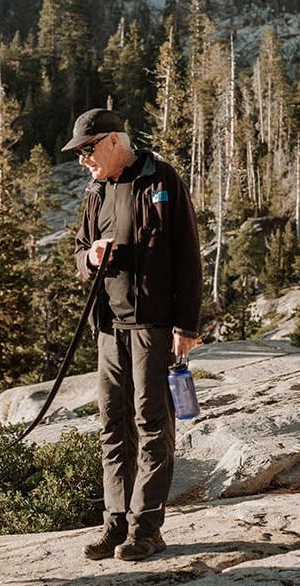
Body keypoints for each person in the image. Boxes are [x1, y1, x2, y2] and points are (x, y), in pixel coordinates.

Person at [66, 109, 203, 562]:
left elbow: (188, 256)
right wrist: (91, 258)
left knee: (151, 424)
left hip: (154, 327)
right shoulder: (97, 190)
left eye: (87, 150)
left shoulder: (161, 179)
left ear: (112, 141)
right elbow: (79, 251)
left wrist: (187, 326)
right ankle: (115, 525)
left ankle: (146, 528)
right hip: (109, 328)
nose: (83, 160)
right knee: (112, 425)